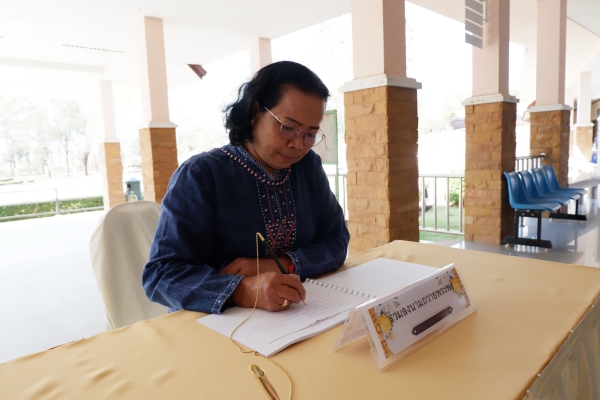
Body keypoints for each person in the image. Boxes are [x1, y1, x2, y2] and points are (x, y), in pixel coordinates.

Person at [142, 61, 349, 314]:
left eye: (310, 134)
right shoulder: (201, 175)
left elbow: (336, 240)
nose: (298, 145)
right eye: (288, 128)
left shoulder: (307, 167)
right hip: (216, 323)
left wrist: (279, 264)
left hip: (297, 314)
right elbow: (161, 275)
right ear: (255, 112)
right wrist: (241, 290)